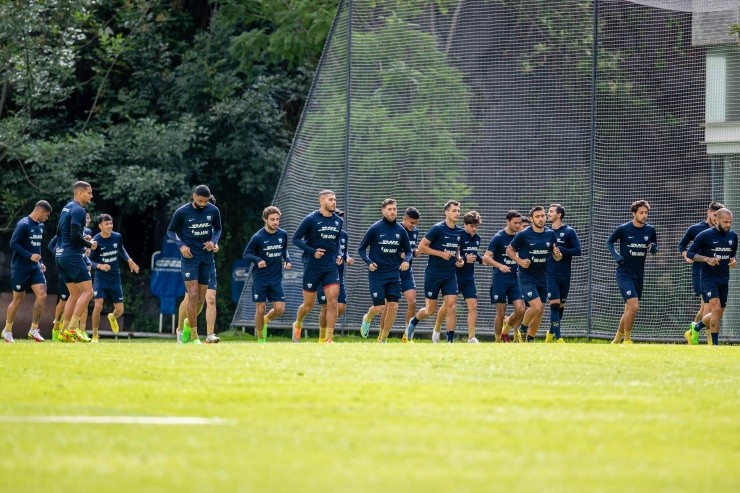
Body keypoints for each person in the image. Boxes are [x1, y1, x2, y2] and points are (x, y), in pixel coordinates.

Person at [167, 185, 222, 345]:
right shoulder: (182, 212)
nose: (203, 204)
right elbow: (170, 231)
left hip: (206, 259)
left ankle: (187, 324)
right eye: (200, 200)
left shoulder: (213, 211)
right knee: (191, 295)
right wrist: (181, 245)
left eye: (205, 201)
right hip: (190, 259)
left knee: (200, 300)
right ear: (193, 196)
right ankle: (194, 336)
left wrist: (213, 241)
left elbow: (218, 229)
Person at [405, 200, 464, 343]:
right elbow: (422, 247)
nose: (457, 213)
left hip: (450, 275)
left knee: (452, 305)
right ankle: (413, 321)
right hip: (433, 274)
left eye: (458, 211)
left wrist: (459, 259)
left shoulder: (460, 231)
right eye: (454, 210)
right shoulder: (437, 228)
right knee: (430, 310)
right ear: (446, 212)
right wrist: (441, 254)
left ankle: (449, 341)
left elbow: (457, 249)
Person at [292, 190, 344, 343]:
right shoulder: (310, 219)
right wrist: (312, 251)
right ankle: (298, 323)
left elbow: (337, 243)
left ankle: (328, 339)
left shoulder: (338, 221)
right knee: (308, 305)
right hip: (312, 266)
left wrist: (339, 254)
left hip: (330, 267)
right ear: (321, 202)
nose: (334, 202)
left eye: (335, 199)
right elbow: (296, 239)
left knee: (332, 301)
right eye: (330, 200)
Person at [357, 199, 412, 342]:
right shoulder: (375, 228)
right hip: (377, 273)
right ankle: (367, 317)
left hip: (394, 273)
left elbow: (409, 251)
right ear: (383, 211)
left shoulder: (401, 230)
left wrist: (406, 260)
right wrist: (368, 262)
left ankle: (383, 339)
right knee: (380, 307)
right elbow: (361, 249)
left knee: (393, 305)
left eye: (394, 209)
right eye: (389, 209)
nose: (393, 211)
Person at [507, 206, 562, 342]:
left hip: (543, 276)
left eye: (543, 216)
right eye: (537, 216)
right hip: (527, 277)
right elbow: (509, 250)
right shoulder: (523, 234)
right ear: (531, 219)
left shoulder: (550, 234)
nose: (541, 219)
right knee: (535, 306)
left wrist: (558, 255)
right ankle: (522, 329)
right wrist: (520, 261)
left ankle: (530, 340)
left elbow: (557, 257)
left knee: (540, 310)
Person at [606, 200, 657, 344]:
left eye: (646, 213)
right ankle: (627, 339)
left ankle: (616, 341)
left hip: (639, 275)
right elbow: (609, 242)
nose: (644, 215)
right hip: (624, 274)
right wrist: (617, 256)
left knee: (629, 309)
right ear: (634, 213)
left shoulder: (650, 230)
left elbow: (654, 246)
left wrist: (653, 249)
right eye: (641, 213)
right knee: (634, 306)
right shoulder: (623, 229)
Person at [2, 201, 52, 343]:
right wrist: (29, 256)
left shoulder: (40, 226)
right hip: (20, 268)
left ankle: (34, 329)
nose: (46, 218)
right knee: (18, 299)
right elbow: (13, 243)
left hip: (35, 267)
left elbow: (37, 247)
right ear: (41, 211)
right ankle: (7, 330)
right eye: (46, 215)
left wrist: (40, 262)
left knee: (42, 295)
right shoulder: (23, 224)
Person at [685, 208, 737, 346]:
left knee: (718, 313)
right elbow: (690, 254)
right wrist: (706, 259)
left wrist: (733, 260)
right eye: (725, 222)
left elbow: (732, 254)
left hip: (724, 279)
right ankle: (714, 345)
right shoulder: (704, 235)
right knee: (716, 309)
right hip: (708, 279)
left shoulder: (733, 236)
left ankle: (695, 328)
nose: (728, 225)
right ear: (717, 220)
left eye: (730, 222)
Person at [54, 181, 98, 343]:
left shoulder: (67, 207)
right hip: (72, 255)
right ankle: (73, 328)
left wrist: (81, 237)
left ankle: (64, 331)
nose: (91, 196)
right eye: (89, 193)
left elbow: (62, 232)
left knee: (74, 293)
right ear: (80, 193)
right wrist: (89, 244)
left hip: (61, 254)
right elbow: (73, 236)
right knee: (88, 292)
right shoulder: (79, 210)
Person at [242, 206, 291, 343]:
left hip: (276, 278)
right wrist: (258, 260)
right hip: (260, 278)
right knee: (260, 309)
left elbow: (284, 249)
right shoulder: (258, 237)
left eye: (277, 219)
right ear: (265, 220)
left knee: (280, 309)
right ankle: (261, 338)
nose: (275, 222)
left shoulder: (282, 234)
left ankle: (264, 321)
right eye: (272, 219)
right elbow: (246, 254)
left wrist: (287, 260)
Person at [433, 211, 483, 343]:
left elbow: (475, 255)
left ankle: (471, 337)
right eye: (471, 226)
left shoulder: (477, 238)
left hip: (469, 278)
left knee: (473, 305)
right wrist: (463, 259)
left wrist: (483, 260)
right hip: (454, 277)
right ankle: (436, 329)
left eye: (476, 226)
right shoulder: (459, 235)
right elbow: (456, 253)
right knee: (447, 306)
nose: (474, 229)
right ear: (465, 225)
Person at [88, 214, 139, 342]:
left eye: (111, 223)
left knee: (120, 310)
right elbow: (88, 260)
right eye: (106, 224)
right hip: (100, 276)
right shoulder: (95, 240)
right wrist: (100, 266)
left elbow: (120, 249)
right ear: (100, 226)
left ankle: (112, 317)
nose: (110, 226)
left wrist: (129, 260)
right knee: (98, 304)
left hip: (115, 276)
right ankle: (95, 335)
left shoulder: (117, 237)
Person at [678, 201, 723, 345]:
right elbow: (682, 245)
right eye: (715, 215)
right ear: (708, 212)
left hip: (716, 274)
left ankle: (692, 331)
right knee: (709, 307)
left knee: (705, 308)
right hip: (700, 273)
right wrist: (685, 255)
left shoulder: (721, 231)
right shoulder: (696, 229)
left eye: (719, 215)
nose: (717, 218)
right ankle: (710, 342)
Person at [483, 210, 525, 343]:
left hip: (515, 279)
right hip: (500, 279)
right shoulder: (498, 237)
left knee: (520, 308)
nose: (518, 226)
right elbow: (486, 257)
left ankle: (505, 330)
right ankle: (497, 340)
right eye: (515, 223)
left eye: (520, 223)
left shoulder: (520, 237)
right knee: (501, 312)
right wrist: (499, 265)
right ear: (507, 222)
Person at [545, 204, 582, 343]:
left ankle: (550, 333)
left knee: (560, 308)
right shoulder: (546, 232)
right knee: (554, 305)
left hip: (565, 275)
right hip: (550, 274)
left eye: (551, 211)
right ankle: (559, 338)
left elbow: (578, 250)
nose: (548, 214)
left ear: (559, 215)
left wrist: (561, 250)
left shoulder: (569, 231)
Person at [317, 210, 353, 343]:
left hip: (338, 275)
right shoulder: (322, 233)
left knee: (341, 307)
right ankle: (323, 337)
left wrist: (347, 259)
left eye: (341, 216)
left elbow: (344, 252)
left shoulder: (344, 235)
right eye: (337, 216)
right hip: (324, 274)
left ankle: (328, 334)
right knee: (326, 307)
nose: (339, 219)